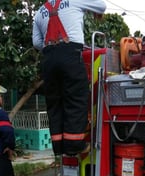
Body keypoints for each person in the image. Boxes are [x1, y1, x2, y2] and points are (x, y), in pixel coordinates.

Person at [32, 0, 106, 156]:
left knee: (55, 103)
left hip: (49, 59)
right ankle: (74, 146)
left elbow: (37, 43)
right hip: (70, 55)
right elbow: (101, 5)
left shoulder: (40, 12)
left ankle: (59, 147)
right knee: (76, 98)